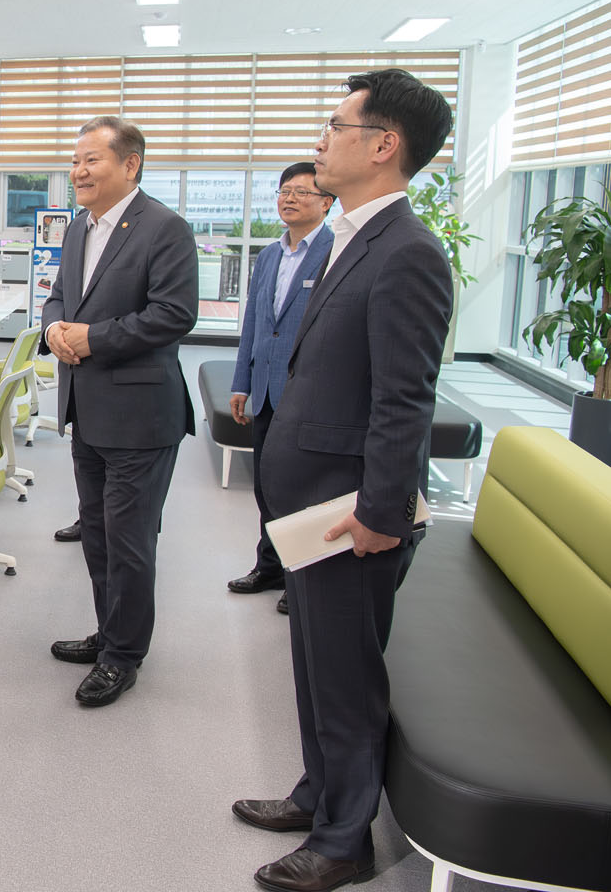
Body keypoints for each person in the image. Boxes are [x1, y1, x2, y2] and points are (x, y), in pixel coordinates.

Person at [233, 69, 454, 892]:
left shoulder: (408, 252)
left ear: (384, 144)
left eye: (336, 126)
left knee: (348, 679)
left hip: (351, 512)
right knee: (316, 664)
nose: (320, 141)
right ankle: (317, 793)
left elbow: (405, 399)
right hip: (312, 503)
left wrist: (380, 514)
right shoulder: (352, 237)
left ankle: (342, 841)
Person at [40, 115, 198, 707]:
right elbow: (60, 295)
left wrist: (91, 339)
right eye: (75, 160)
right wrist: (53, 327)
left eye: (91, 159)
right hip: (88, 410)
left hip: (140, 415)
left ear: (130, 164)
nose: (78, 171)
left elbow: (174, 314)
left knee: (129, 542)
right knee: (99, 536)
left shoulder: (165, 228)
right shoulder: (79, 228)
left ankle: (123, 656)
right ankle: (111, 633)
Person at [226, 162, 335, 614]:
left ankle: (300, 576)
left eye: (301, 192)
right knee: (267, 485)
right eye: (284, 191)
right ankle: (269, 566)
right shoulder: (270, 255)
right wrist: (241, 382)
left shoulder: (335, 252)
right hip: (266, 390)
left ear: (327, 202)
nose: (289, 199)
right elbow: (254, 322)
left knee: (303, 491)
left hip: (307, 394)